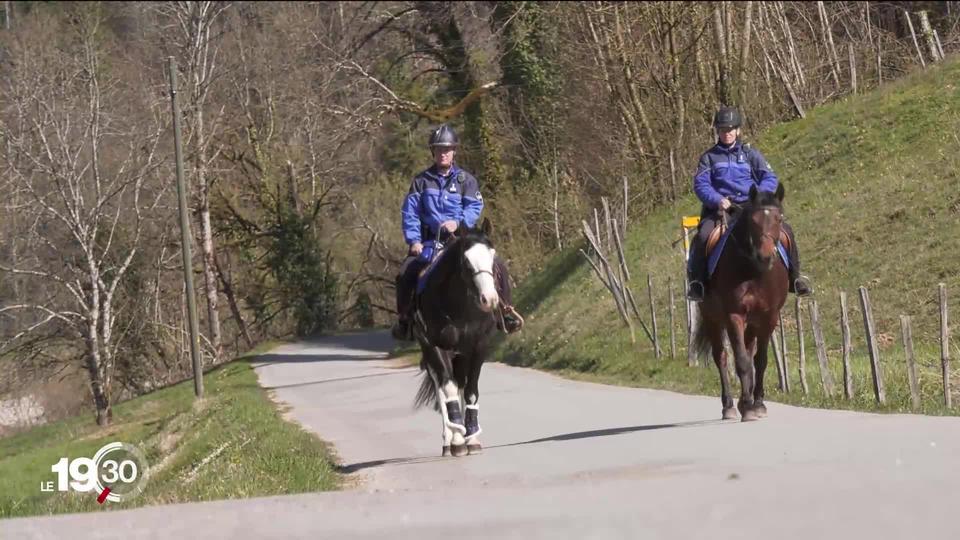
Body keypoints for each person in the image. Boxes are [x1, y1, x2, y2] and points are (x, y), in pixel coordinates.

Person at [391, 124, 523, 341]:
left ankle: (505, 312)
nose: (443, 153)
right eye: (439, 149)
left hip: (461, 241)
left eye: (447, 149)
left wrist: (458, 222)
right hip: (430, 243)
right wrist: (414, 240)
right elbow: (410, 212)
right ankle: (405, 320)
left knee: (497, 265)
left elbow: (474, 207)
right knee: (406, 271)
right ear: (432, 152)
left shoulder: (467, 181)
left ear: (454, 151)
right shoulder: (421, 181)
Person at [686, 106, 813, 302]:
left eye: (730, 129)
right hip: (723, 210)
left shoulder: (751, 155)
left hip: (751, 207)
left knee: (786, 231)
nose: (726, 133)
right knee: (703, 236)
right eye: (722, 130)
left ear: (738, 130)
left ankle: (796, 278)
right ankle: (698, 283)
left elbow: (770, 178)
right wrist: (718, 200)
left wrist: (758, 197)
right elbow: (701, 184)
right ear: (717, 131)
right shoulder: (709, 158)